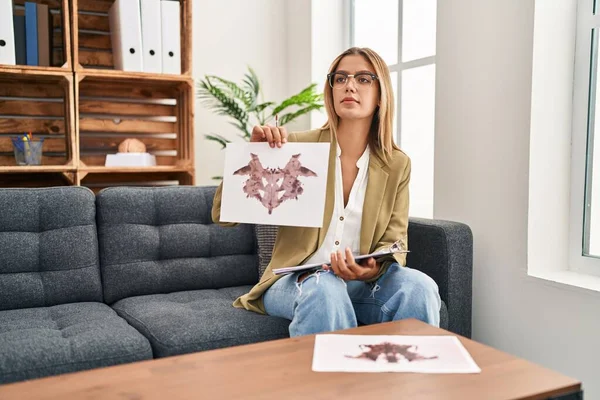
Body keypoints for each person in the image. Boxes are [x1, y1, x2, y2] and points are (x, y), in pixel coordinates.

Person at [212, 47, 441, 337]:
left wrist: (368, 271)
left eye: (364, 79)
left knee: (420, 287)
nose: (350, 85)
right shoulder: (296, 148)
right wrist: (253, 153)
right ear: (331, 90)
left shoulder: (396, 164)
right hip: (298, 280)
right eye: (341, 78)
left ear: (381, 94)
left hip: (363, 286)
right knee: (325, 287)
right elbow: (223, 215)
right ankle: (333, 383)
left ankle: (408, 380)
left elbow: (394, 244)